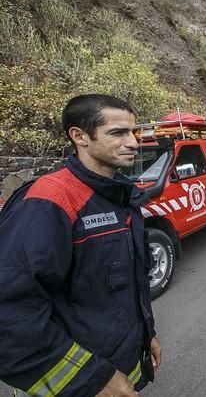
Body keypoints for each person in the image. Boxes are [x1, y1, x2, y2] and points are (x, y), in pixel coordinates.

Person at [0, 94, 161, 396]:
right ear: (80, 136)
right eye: (118, 133)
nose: (134, 143)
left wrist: (146, 333)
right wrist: (90, 378)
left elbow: (122, 287)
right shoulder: (50, 201)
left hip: (119, 364)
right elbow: (9, 313)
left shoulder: (120, 196)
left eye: (133, 132)